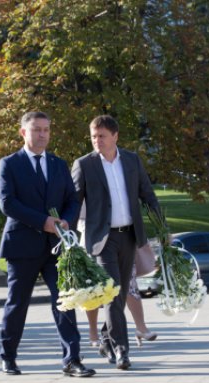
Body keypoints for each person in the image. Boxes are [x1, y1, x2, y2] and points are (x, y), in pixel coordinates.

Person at [0, 111, 94, 378]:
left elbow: (73, 200)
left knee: (65, 301)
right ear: (23, 132)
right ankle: (8, 356)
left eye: (46, 130)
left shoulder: (58, 163)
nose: (42, 134)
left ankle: (72, 359)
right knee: (17, 304)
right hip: (23, 245)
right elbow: (8, 203)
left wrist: (65, 221)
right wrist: (43, 222)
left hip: (56, 245)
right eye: (37, 129)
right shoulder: (9, 164)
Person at [71, 115, 161, 370]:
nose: (96, 141)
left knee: (120, 294)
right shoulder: (84, 165)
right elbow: (74, 201)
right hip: (102, 239)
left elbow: (148, 195)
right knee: (111, 292)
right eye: (93, 136)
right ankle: (122, 351)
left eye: (101, 136)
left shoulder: (131, 160)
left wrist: (162, 226)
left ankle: (106, 338)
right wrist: (66, 230)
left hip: (129, 235)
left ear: (115, 137)